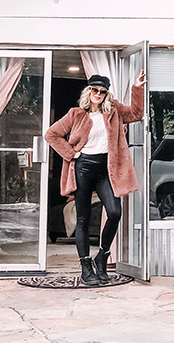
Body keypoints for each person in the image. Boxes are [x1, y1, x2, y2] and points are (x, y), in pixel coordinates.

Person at [45, 70, 146, 286]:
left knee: (115, 212)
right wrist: (72, 154)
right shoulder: (76, 114)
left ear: (107, 94)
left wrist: (137, 88)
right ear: (88, 91)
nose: (98, 93)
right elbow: (51, 134)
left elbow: (137, 113)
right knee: (82, 218)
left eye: (102, 91)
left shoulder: (115, 111)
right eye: (94, 89)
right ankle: (85, 266)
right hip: (83, 168)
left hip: (105, 170)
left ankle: (102, 257)